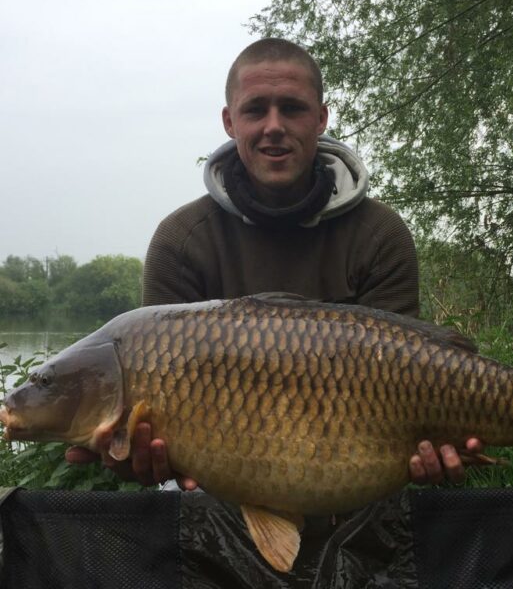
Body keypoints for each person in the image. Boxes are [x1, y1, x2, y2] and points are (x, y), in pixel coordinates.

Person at [66, 38, 482, 489]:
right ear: (229, 121)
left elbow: (407, 377)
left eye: (292, 108)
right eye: (255, 110)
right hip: (212, 497)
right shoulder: (181, 241)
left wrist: (433, 448)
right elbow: (151, 444)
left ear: (321, 118)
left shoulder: (379, 234)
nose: (274, 126)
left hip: (352, 493)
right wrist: (136, 456)